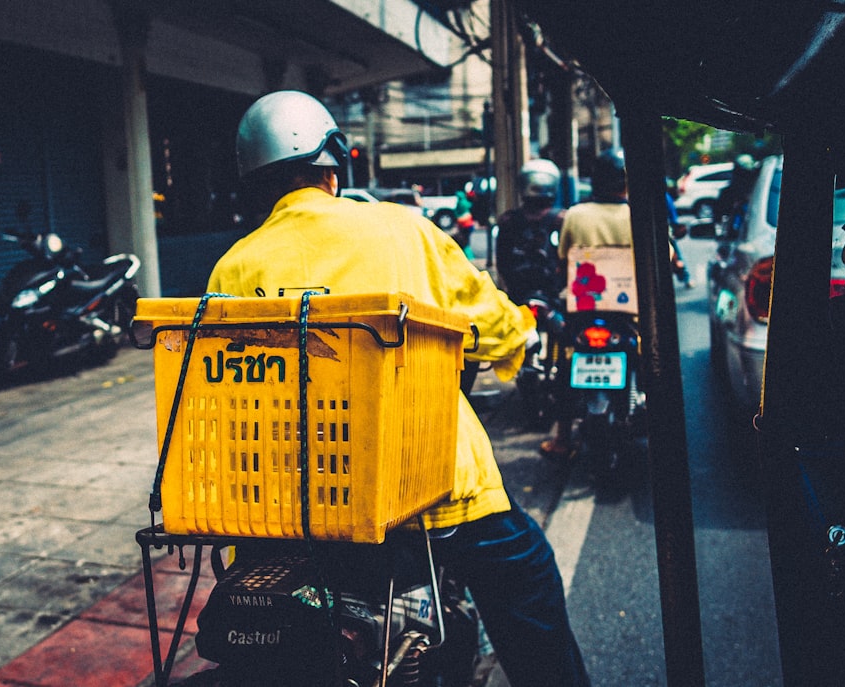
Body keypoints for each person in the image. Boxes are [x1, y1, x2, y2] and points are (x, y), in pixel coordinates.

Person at [208, 90, 590, 687]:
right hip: (433, 490)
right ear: (334, 161)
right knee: (528, 581)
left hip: (302, 500)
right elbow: (486, 320)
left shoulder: (234, 265)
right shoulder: (401, 230)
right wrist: (521, 338)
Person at [541, 150, 633, 458]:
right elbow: (667, 256)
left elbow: (563, 258)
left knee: (565, 363)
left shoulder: (576, 214)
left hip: (583, 309)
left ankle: (563, 438)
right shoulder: (640, 214)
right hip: (629, 312)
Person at [495, 158, 565, 304]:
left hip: (519, 296)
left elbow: (502, 263)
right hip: (550, 295)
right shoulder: (562, 219)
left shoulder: (508, 220)